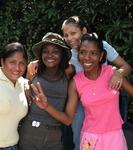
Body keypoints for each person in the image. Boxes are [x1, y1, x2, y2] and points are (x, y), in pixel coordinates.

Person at [26, 16, 132, 150]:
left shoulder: (101, 46)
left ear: (84, 30)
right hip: (82, 98)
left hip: (106, 97)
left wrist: (118, 73)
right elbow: (53, 62)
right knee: (78, 127)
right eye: (66, 35)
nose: (70, 38)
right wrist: (37, 63)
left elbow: (126, 67)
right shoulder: (69, 55)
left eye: (73, 33)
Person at [19, 32, 71, 150]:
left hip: (55, 136)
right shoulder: (33, 70)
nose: (50, 55)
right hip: (30, 133)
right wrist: (26, 83)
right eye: (45, 51)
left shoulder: (68, 74)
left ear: (62, 54)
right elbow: (24, 87)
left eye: (55, 51)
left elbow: (68, 120)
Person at [0, 42, 28, 150]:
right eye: (12, 62)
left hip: (14, 146)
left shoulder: (22, 83)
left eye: (22, 63)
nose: (17, 68)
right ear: (2, 61)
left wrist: (27, 84)